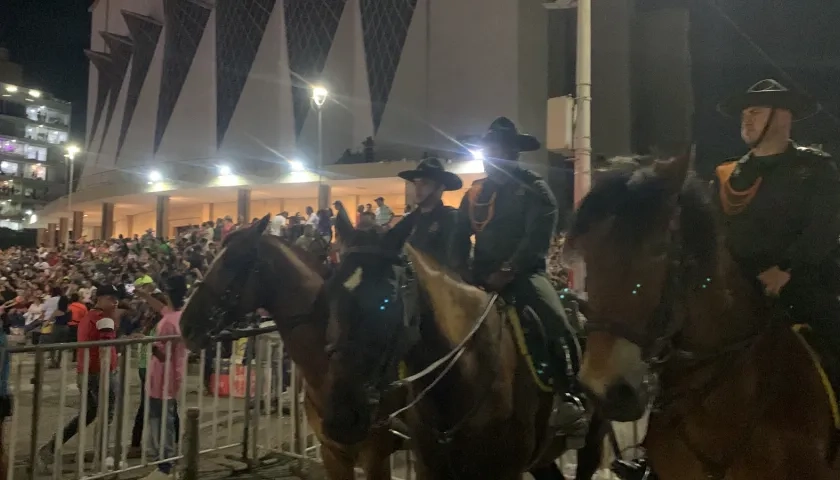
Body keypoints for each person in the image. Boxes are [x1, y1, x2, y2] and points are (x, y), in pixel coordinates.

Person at [450, 117, 586, 435]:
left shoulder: (535, 189)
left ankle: (568, 396)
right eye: (488, 149)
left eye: (497, 149)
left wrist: (508, 270)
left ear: (512, 153)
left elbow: (536, 240)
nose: (491, 155)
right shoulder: (475, 194)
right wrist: (460, 270)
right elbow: (457, 237)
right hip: (478, 277)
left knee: (556, 321)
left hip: (524, 275)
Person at [714, 79, 840, 368]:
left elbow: (823, 227)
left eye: (756, 112)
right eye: (745, 114)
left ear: (783, 116)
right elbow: (718, 233)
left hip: (803, 284)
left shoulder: (816, 168)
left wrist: (785, 269)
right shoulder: (729, 175)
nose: (746, 119)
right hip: (741, 289)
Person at [37, 285, 122, 471]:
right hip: (100, 373)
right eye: (111, 298)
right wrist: (106, 375)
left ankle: (49, 448)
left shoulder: (89, 316)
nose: (115, 302)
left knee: (87, 414)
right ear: (99, 298)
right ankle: (101, 458)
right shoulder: (103, 319)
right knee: (106, 415)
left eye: (116, 298)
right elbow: (105, 349)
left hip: (86, 372)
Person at [390, 157, 463, 268]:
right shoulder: (411, 219)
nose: (418, 189)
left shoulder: (451, 218)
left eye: (424, 183)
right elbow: (389, 243)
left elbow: (453, 263)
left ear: (440, 188)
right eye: (416, 183)